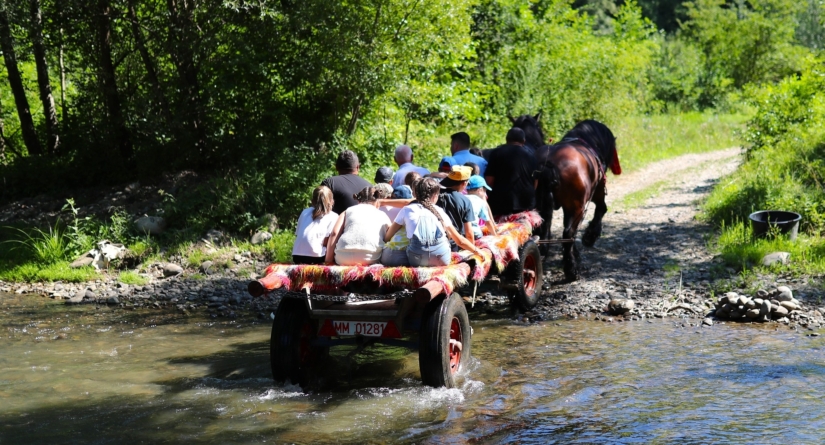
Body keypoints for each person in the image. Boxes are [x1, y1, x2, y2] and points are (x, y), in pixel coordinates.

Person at [384, 178, 484, 267]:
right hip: (442, 259)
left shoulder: (407, 209)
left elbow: (388, 236)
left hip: (416, 260)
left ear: (415, 194)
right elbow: (460, 241)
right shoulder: (439, 211)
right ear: (436, 195)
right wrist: (477, 251)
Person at [325, 186, 391, 266]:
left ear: (358, 200)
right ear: (377, 201)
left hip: (342, 257)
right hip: (371, 258)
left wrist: (328, 260)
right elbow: (390, 235)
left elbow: (334, 233)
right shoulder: (383, 215)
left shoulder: (347, 211)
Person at [485, 127, 538, 217]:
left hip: (500, 203)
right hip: (526, 203)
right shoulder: (531, 155)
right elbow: (535, 183)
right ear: (524, 141)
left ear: (506, 140)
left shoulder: (496, 153)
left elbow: (489, 181)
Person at [292, 186, 338, 264]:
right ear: (332, 201)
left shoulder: (305, 212)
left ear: (312, 201)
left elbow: (298, 234)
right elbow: (327, 242)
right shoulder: (333, 216)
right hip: (317, 257)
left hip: (297, 255)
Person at [321, 150, 372, 215]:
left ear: (336, 167)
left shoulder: (329, 183)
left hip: (336, 224)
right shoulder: (369, 186)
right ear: (358, 167)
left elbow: (319, 211)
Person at [437, 165, 476, 248]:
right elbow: (469, 233)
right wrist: (472, 250)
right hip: (453, 245)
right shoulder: (465, 201)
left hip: (434, 244)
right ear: (464, 183)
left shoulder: (434, 195)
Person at [380, 185, 414, 267]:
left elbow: (387, 237)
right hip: (413, 252)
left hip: (391, 252)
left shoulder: (382, 209)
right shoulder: (412, 210)